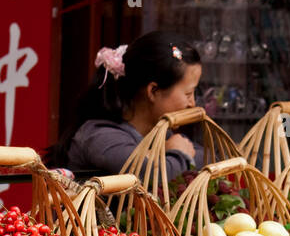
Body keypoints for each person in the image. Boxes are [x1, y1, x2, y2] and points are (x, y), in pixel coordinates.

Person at [50, 30, 205, 179]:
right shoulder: (101, 136)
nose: (192, 103)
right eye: (188, 94)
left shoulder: (162, 135)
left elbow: (208, 159)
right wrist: (180, 153)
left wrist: (171, 150)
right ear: (153, 91)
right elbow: (152, 176)